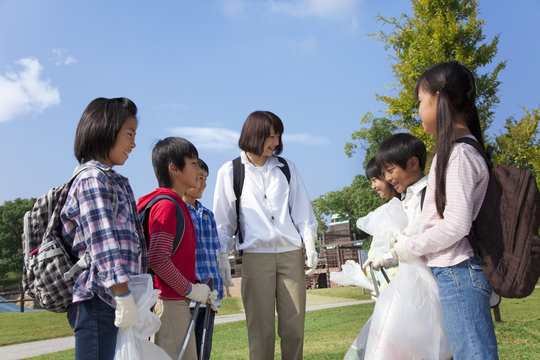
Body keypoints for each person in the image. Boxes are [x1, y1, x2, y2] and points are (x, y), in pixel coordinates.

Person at [392, 61, 499, 359]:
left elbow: (456, 224)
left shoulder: (460, 154)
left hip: (459, 271)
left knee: (473, 354)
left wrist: (411, 246)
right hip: (453, 271)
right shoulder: (455, 151)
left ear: (439, 99)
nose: (419, 112)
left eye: (421, 103)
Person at [213, 110, 319, 360]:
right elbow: (223, 222)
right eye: (270, 136)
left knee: (294, 328)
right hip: (255, 256)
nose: (276, 142)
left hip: (289, 254)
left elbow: (303, 211)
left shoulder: (286, 168)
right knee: (261, 330)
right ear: (254, 135)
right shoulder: (230, 172)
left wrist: (310, 243)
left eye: (278, 136)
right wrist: (222, 255)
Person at [61, 97, 147, 360]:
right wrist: (122, 295)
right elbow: (103, 241)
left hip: (113, 298)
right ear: (106, 130)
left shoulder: (114, 180)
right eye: (129, 134)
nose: (133, 144)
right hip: (99, 298)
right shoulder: (92, 179)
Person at [137, 137, 217, 360]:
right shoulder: (166, 206)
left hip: (174, 300)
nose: (197, 167)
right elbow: (158, 259)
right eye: (192, 163)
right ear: (174, 169)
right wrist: (190, 290)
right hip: (170, 303)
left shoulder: (173, 203)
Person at [182, 158, 223, 360]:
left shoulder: (208, 215)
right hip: (188, 295)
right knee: (186, 351)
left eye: (205, 178)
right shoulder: (177, 211)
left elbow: (214, 252)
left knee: (203, 351)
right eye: (199, 178)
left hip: (210, 296)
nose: (204, 184)